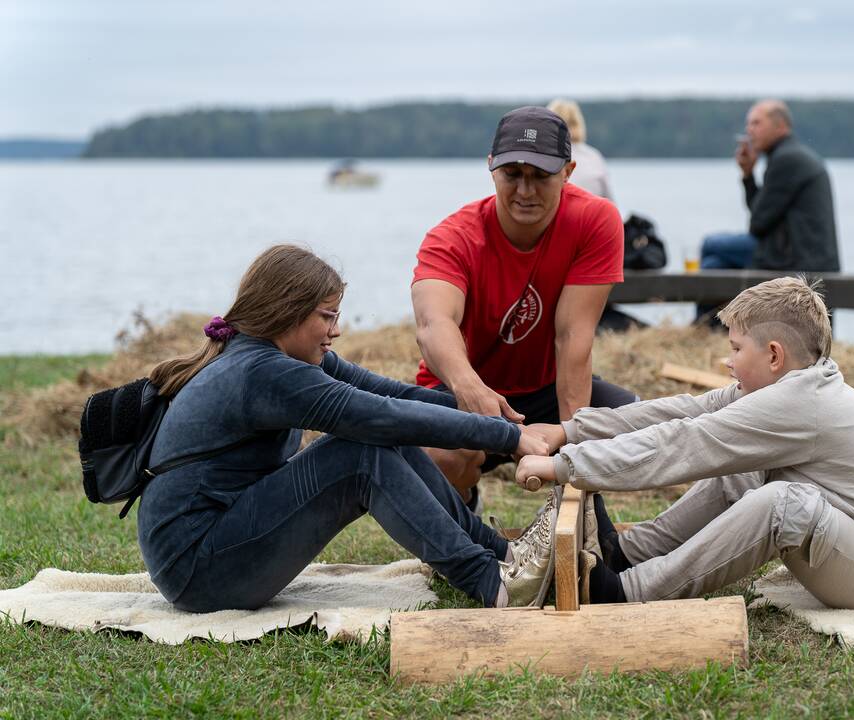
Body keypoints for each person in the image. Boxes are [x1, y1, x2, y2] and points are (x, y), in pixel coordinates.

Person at [137, 244, 558, 613]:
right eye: (327, 316)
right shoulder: (264, 372)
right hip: (198, 570)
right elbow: (382, 416)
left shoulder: (281, 355)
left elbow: (395, 397)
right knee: (363, 451)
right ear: (288, 311)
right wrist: (509, 439)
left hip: (211, 549)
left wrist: (503, 420)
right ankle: (493, 582)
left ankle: (500, 553)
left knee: (375, 438)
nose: (336, 330)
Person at [516, 277, 854, 610]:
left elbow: (683, 443)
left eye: (736, 349)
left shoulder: (799, 404)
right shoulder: (789, 385)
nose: (728, 361)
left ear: (774, 356)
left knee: (782, 505)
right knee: (743, 469)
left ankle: (623, 590)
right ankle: (625, 554)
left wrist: (564, 465)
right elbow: (684, 412)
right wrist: (571, 431)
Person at [411, 106, 637, 509]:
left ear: (568, 172)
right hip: (464, 387)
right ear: (491, 167)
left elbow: (573, 337)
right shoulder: (453, 237)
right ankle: (464, 503)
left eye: (541, 176)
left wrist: (573, 446)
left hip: (545, 389)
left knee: (635, 425)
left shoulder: (596, 220)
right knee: (439, 456)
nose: (526, 191)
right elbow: (433, 324)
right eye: (513, 174)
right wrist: (472, 392)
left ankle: (580, 520)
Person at [698, 100, 839, 320]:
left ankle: (706, 326)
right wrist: (748, 175)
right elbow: (763, 216)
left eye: (756, 123)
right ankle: (714, 325)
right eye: (748, 124)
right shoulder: (791, 155)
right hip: (796, 253)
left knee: (710, 244)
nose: (749, 130)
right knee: (714, 265)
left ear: (780, 126)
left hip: (795, 258)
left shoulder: (786, 160)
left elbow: (758, 225)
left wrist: (748, 178)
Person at [546, 98, 614, 201]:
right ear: (578, 123)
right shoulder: (594, 157)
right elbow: (609, 200)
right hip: (591, 214)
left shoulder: (543, 156)